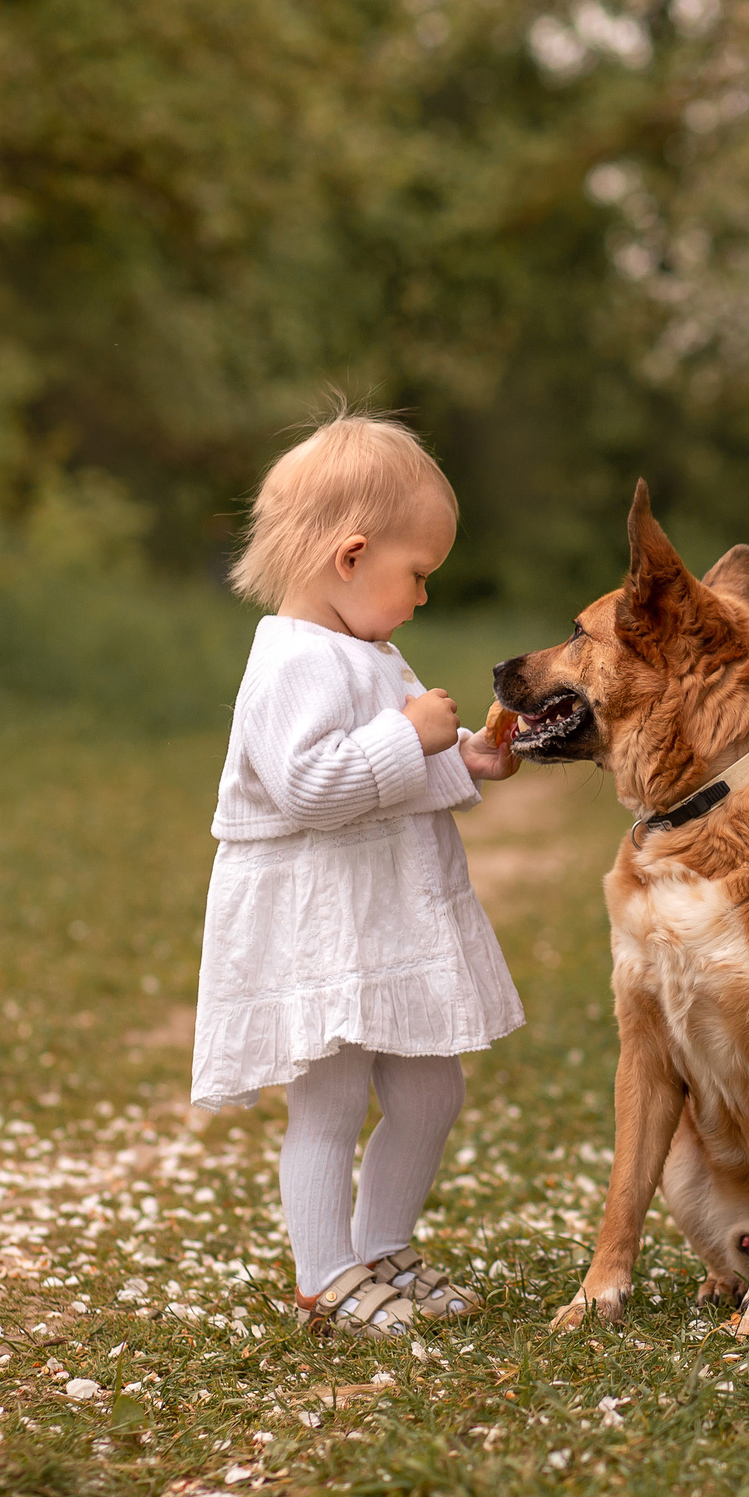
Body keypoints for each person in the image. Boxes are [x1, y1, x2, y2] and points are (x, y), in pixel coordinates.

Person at [189, 411, 523, 1341]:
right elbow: (309, 787)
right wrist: (404, 734)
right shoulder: (289, 659)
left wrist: (461, 761)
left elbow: (390, 777)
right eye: (417, 574)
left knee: (430, 1087)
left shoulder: (366, 648)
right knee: (330, 1097)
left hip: (383, 913)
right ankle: (324, 1274)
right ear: (351, 555)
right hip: (318, 920)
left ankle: (381, 1243)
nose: (421, 598)